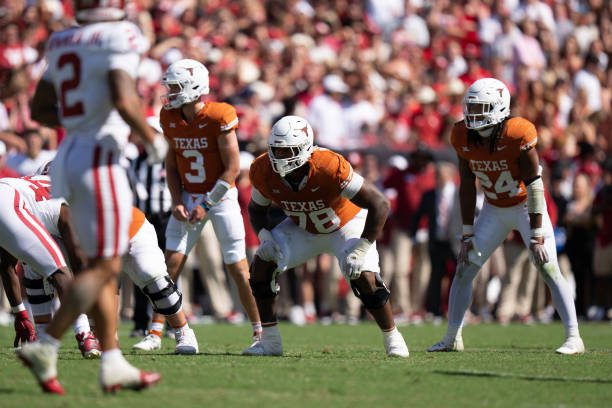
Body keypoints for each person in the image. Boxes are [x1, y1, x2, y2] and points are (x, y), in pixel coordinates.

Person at [17, 1, 165, 394]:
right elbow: (122, 94)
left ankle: (112, 361)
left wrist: (80, 121)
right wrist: (152, 140)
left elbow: (40, 109)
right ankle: (46, 346)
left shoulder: (62, 39)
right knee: (104, 268)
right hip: (101, 157)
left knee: (102, 265)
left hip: (68, 157)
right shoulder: (122, 34)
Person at [427, 78, 584, 355]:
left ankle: (574, 337)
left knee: (548, 267)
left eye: (481, 107)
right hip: (494, 209)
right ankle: (452, 337)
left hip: (525, 206)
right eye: (471, 107)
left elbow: (535, 187)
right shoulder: (462, 135)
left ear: (499, 108)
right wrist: (467, 233)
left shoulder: (517, 133)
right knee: (465, 267)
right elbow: (466, 184)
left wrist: (536, 235)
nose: (474, 114)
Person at [242, 115, 409, 357]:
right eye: (275, 150)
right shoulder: (262, 169)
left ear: (305, 148)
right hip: (303, 227)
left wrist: (362, 247)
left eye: (287, 150)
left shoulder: (329, 165)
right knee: (261, 267)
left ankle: (393, 337)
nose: (279, 157)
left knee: (364, 276)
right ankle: (270, 341)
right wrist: (265, 237)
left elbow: (379, 204)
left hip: (345, 224)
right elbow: (256, 209)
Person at [132, 58, 261, 351]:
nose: (170, 92)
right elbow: (172, 164)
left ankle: (260, 332)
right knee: (168, 265)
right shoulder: (169, 117)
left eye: (176, 86)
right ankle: (156, 333)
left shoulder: (220, 115)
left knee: (238, 268)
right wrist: (177, 201)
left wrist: (207, 203)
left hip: (220, 195)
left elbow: (231, 169)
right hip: (189, 195)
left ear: (194, 87)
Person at [0, 171, 99, 358]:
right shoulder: (65, 200)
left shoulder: (31, 184)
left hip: (6, 192)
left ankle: (41, 336)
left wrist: (19, 314)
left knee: (35, 264)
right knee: (60, 270)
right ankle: (85, 334)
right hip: (11, 202)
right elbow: (77, 261)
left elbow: (7, 265)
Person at [126, 206, 197, 354]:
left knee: (154, 276)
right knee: (102, 283)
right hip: (94, 231)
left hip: (131, 225)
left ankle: (182, 331)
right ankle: (100, 336)